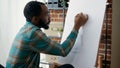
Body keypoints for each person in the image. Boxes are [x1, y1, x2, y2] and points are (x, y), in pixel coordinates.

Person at [6, 1, 88, 68]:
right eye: (46, 14)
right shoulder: (33, 34)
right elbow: (63, 51)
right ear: (35, 19)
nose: (49, 17)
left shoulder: (26, 28)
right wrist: (77, 26)